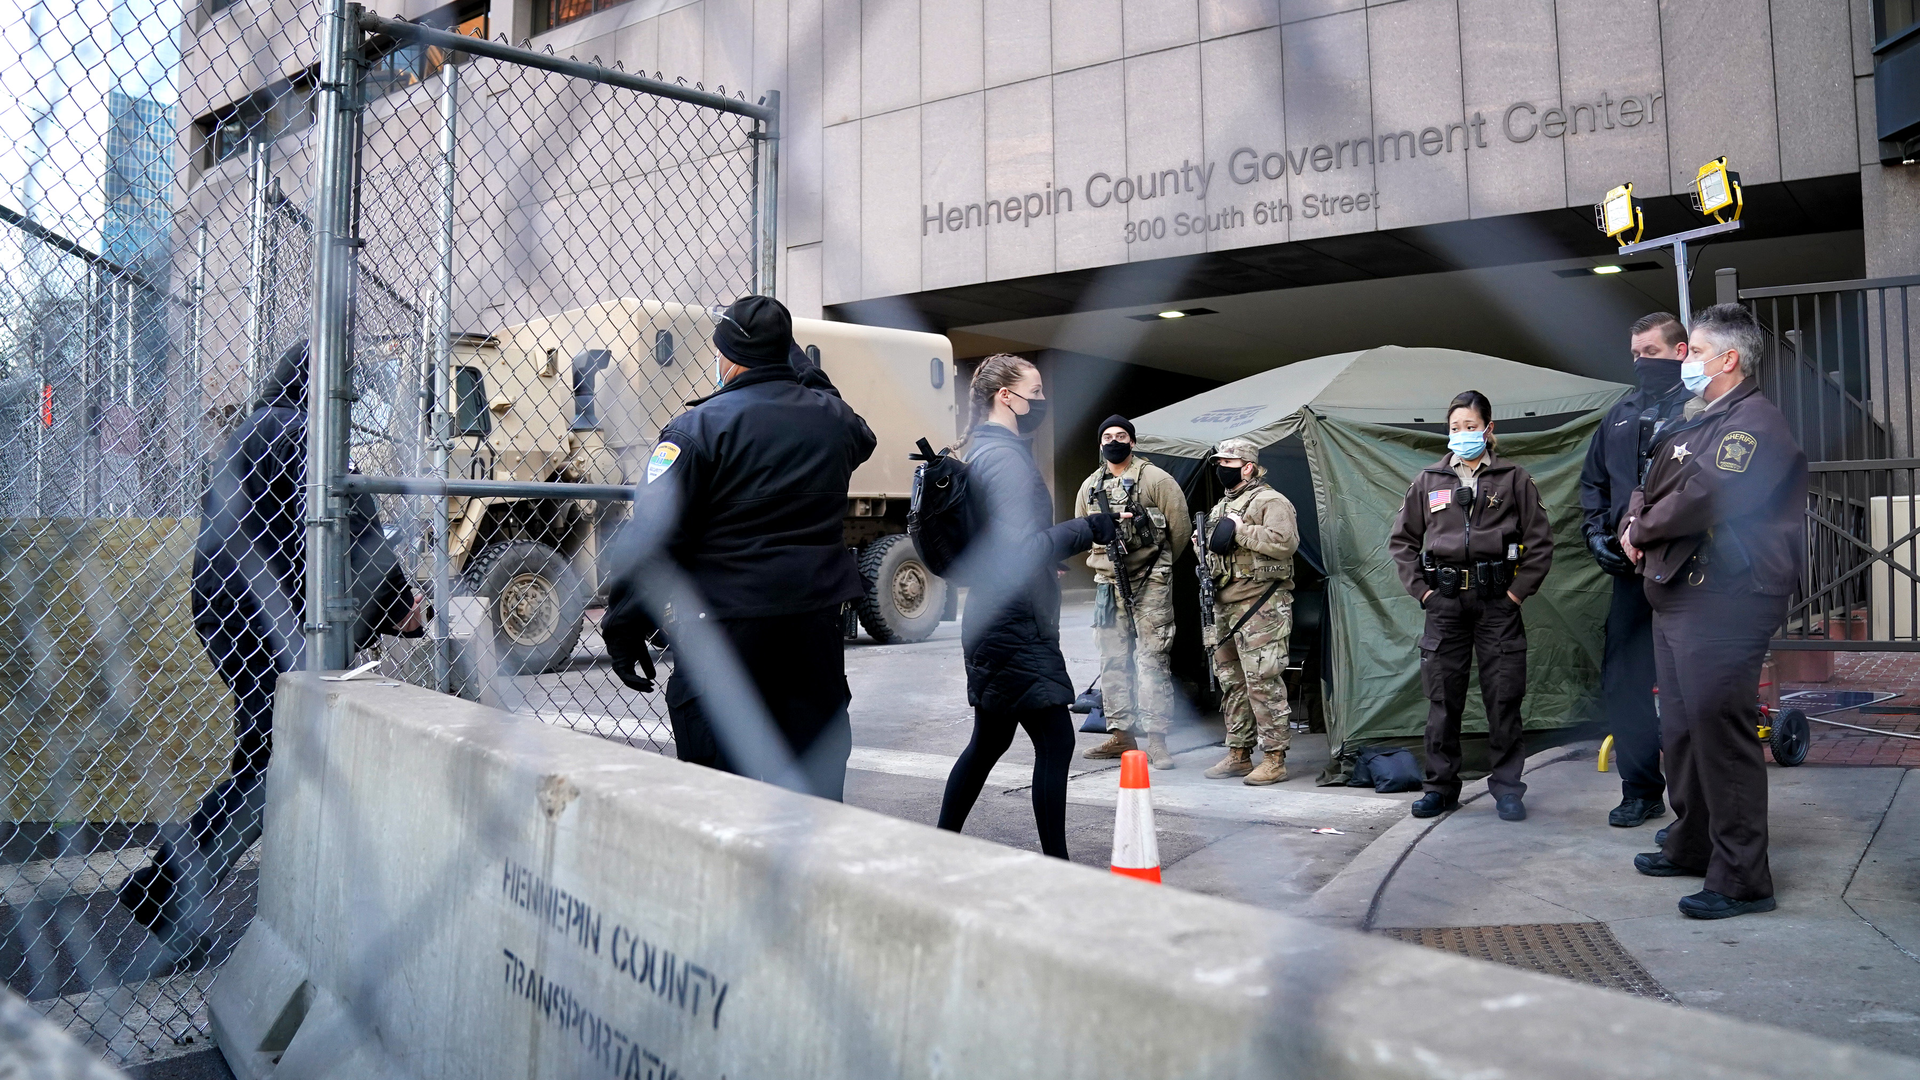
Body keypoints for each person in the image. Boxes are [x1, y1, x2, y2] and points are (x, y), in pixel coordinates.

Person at [117, 341, 421, 970]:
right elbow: (357, 531)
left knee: (264, 750)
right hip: (265, 616)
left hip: (220, 603)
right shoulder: (309, 435)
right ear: (329, 392)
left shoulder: (248, 430)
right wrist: (401, 605)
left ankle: (173, 887)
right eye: (346, 396)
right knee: (273, 761)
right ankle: (173, 889)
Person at [603, 295, 876, 802]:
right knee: (815, 787)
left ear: (727, 356)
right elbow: (860, 430)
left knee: (723, 788)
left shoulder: (697, 429)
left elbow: (653, 539)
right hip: (812, 627)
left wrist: (624, 624)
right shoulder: (831, 420)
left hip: (726, 630)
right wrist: (793, 361)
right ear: (787, 352)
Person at [1620, 304, 1807, 920]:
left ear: (1729, 359)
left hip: (1726, 598)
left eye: (1695, 350)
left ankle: (1742, 877)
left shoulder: (1754, 424)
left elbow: (1706, 495)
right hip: (1681, 591)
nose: (1685, 359)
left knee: (1721, 735)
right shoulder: (1701, 419)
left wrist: (1641, 528)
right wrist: (1635, 518)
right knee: (1682, 728)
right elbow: (1651, 479)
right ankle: (1693, 841)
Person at [935, 354, 1120, 858]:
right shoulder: (1006, 457)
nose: (1041, 400)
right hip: (1014, 623)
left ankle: (940, 844)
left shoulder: (984, 450)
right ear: (1006, 396)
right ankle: (1056, 863)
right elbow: (1017, 549)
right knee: (1056, 742)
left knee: (989, 743)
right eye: (1035, 391)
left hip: (998, 615)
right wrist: (1086, 530)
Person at [1388, 391, 1553, 821]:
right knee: (1443, 699)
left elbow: (1540, 544)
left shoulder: (1515, 478)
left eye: (1470, 426)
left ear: (1488, 429)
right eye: (1455, 427)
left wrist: (1516, 594)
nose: (1462, 434)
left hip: (1498, 601)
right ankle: (1440, 788)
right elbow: (1402, 542)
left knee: (1504, 696)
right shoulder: (1428, 480)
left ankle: (1507, 788)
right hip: (1444, 603)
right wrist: (1423, 592)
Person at [1581, 312, 1694, 829]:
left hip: (1687, 575)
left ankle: (1695, 806)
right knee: (1625, 682)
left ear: (1679, 351)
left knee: (1689, 687)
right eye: (1635, 354)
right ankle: (1640, 789)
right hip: (1629, 576)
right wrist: (1595, 536)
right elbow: (1594, 484)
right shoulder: (1619, 413)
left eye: (1650, 352)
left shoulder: (1701, 409)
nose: (1640, 363)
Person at [1075, 415, 1191, 769]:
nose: (1114, 441)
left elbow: (1180, 530)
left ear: (1133, 442)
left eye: (1121, 435)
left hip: (1150, 581)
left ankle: (1156, 740)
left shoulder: (1156, 479)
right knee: (1112, 660)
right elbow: (1081, 529)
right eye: (1107, 436)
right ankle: (1122, 736)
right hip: (1108, 586)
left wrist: (1157, 565)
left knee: (1151, 661)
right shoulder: (1090, 486)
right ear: (1100, 444)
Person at [1199, 438, 1302, 786]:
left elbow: (1285, 542)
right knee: (1232, 682)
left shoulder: (1271, 501)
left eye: (1228, 462)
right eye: (1218, 463)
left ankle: (1274, 757)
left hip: (1262, 603)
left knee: (1263, 680)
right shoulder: (1221, 506)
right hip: (1225, 603)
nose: (1221, 468)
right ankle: (1239, 752)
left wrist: (1242, 532)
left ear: (1248, 466)